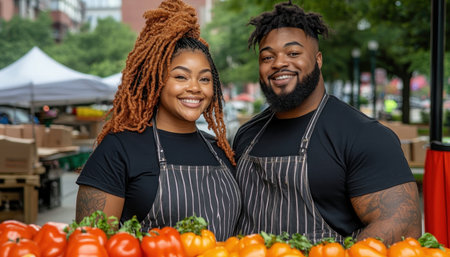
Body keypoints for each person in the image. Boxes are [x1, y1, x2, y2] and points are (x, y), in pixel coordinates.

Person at [232, 1, 421, 245]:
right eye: (267, 57)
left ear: (318, 59)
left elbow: (401, 223)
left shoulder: (363, 135)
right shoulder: (247, 134)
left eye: (293, 53)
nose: (278, 63)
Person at [75, 0, 241, 241]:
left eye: (204, 79)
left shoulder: (221, 150)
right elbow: (90, 245)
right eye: (181, 77)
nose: (194, 88)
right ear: (156, 80)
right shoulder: (118, 150)